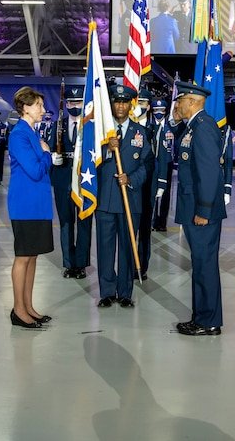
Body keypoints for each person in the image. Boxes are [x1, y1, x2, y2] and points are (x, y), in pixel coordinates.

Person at [172, 81, 226, 336]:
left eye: (180, 100)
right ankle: (201, 316)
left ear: (192, 101)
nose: (177, 104)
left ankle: (209, 321)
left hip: (202, 210)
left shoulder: (203, 128)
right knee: (200, 263)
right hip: (194, 205)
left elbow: (208, 172)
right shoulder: (193, 127)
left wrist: (204, 210)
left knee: (204, 264)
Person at [95, 84, 153, 308]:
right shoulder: (102, 133)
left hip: (130, 199)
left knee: (128, 246)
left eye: (124, 102)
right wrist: (106, 150)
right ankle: (107, 291)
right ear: (112, 104)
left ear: (130, 105)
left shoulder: (141, 133)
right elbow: (88, 163)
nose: (120, 106)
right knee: (105, 248)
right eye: (117, 101)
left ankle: (126, 291)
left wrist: (131, 179)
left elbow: (148, 164)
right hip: (105, 200)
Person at [7, 86, 55, 329]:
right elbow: (36, 170)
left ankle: (28, 306)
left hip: (37, 204)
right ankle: (18, 310)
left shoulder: (31, 133)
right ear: (25, 108)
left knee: (32, 256)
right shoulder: (19, 135)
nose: (43, 110)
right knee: (23, 257)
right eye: (38, 106)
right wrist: (47, 155)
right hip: (25, 205)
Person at [48, 87, 92, 280]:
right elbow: (49, 148)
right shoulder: (58, 126)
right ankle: (69, 263)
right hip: (63, 178)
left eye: (79, 103)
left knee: (83, 223)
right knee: (66, 223)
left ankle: (81, 264)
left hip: (84, 180)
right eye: (72, 103)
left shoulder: (90, 126)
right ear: (66, 105)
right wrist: (52, 157)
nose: (75, 107)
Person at [135, 88, 157, 279]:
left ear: (148, 106)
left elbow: (160, 159)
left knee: (144, 228)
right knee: (128, 228)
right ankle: (129, 263)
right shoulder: (125, 128)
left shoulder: (154, 129)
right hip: (129, 184)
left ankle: (142, 266)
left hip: (147, 185)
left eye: (142, 103)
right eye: (136, 102)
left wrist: (160, 184)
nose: (138, 106)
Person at [151, 98, 175, 231]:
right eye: (156, 110)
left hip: (167, 163)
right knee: (152, 192)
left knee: (165, 193)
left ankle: (162, 222)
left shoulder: (171, 126)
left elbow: (175, 146)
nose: (158, 113)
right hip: (153, 163)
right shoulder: (149, 126)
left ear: (166, 111)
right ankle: (153, 219)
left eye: (161, 110)